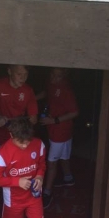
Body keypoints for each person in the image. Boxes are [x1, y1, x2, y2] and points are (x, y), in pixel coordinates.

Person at [0, 65, 38, 216]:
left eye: (25, 74)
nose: (23, 78)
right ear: (9, 71)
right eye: (19, 74)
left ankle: (13, 203)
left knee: (17, 171)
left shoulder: (28, 90)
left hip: (17, 140)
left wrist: (18, 124)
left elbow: (34, 118)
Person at [39, 68, 79, 210]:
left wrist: (54, 120)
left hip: (60, 131)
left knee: (51, 163)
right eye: (52, 74)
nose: (54, 78)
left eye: (58, 76)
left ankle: (47, 192)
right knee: (64, 156)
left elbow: (75, 112)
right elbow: (47, 93)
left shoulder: (66, 90)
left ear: (64, 75)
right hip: (56, 130)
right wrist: (33, 98)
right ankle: (68, 178)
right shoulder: (51, 84)